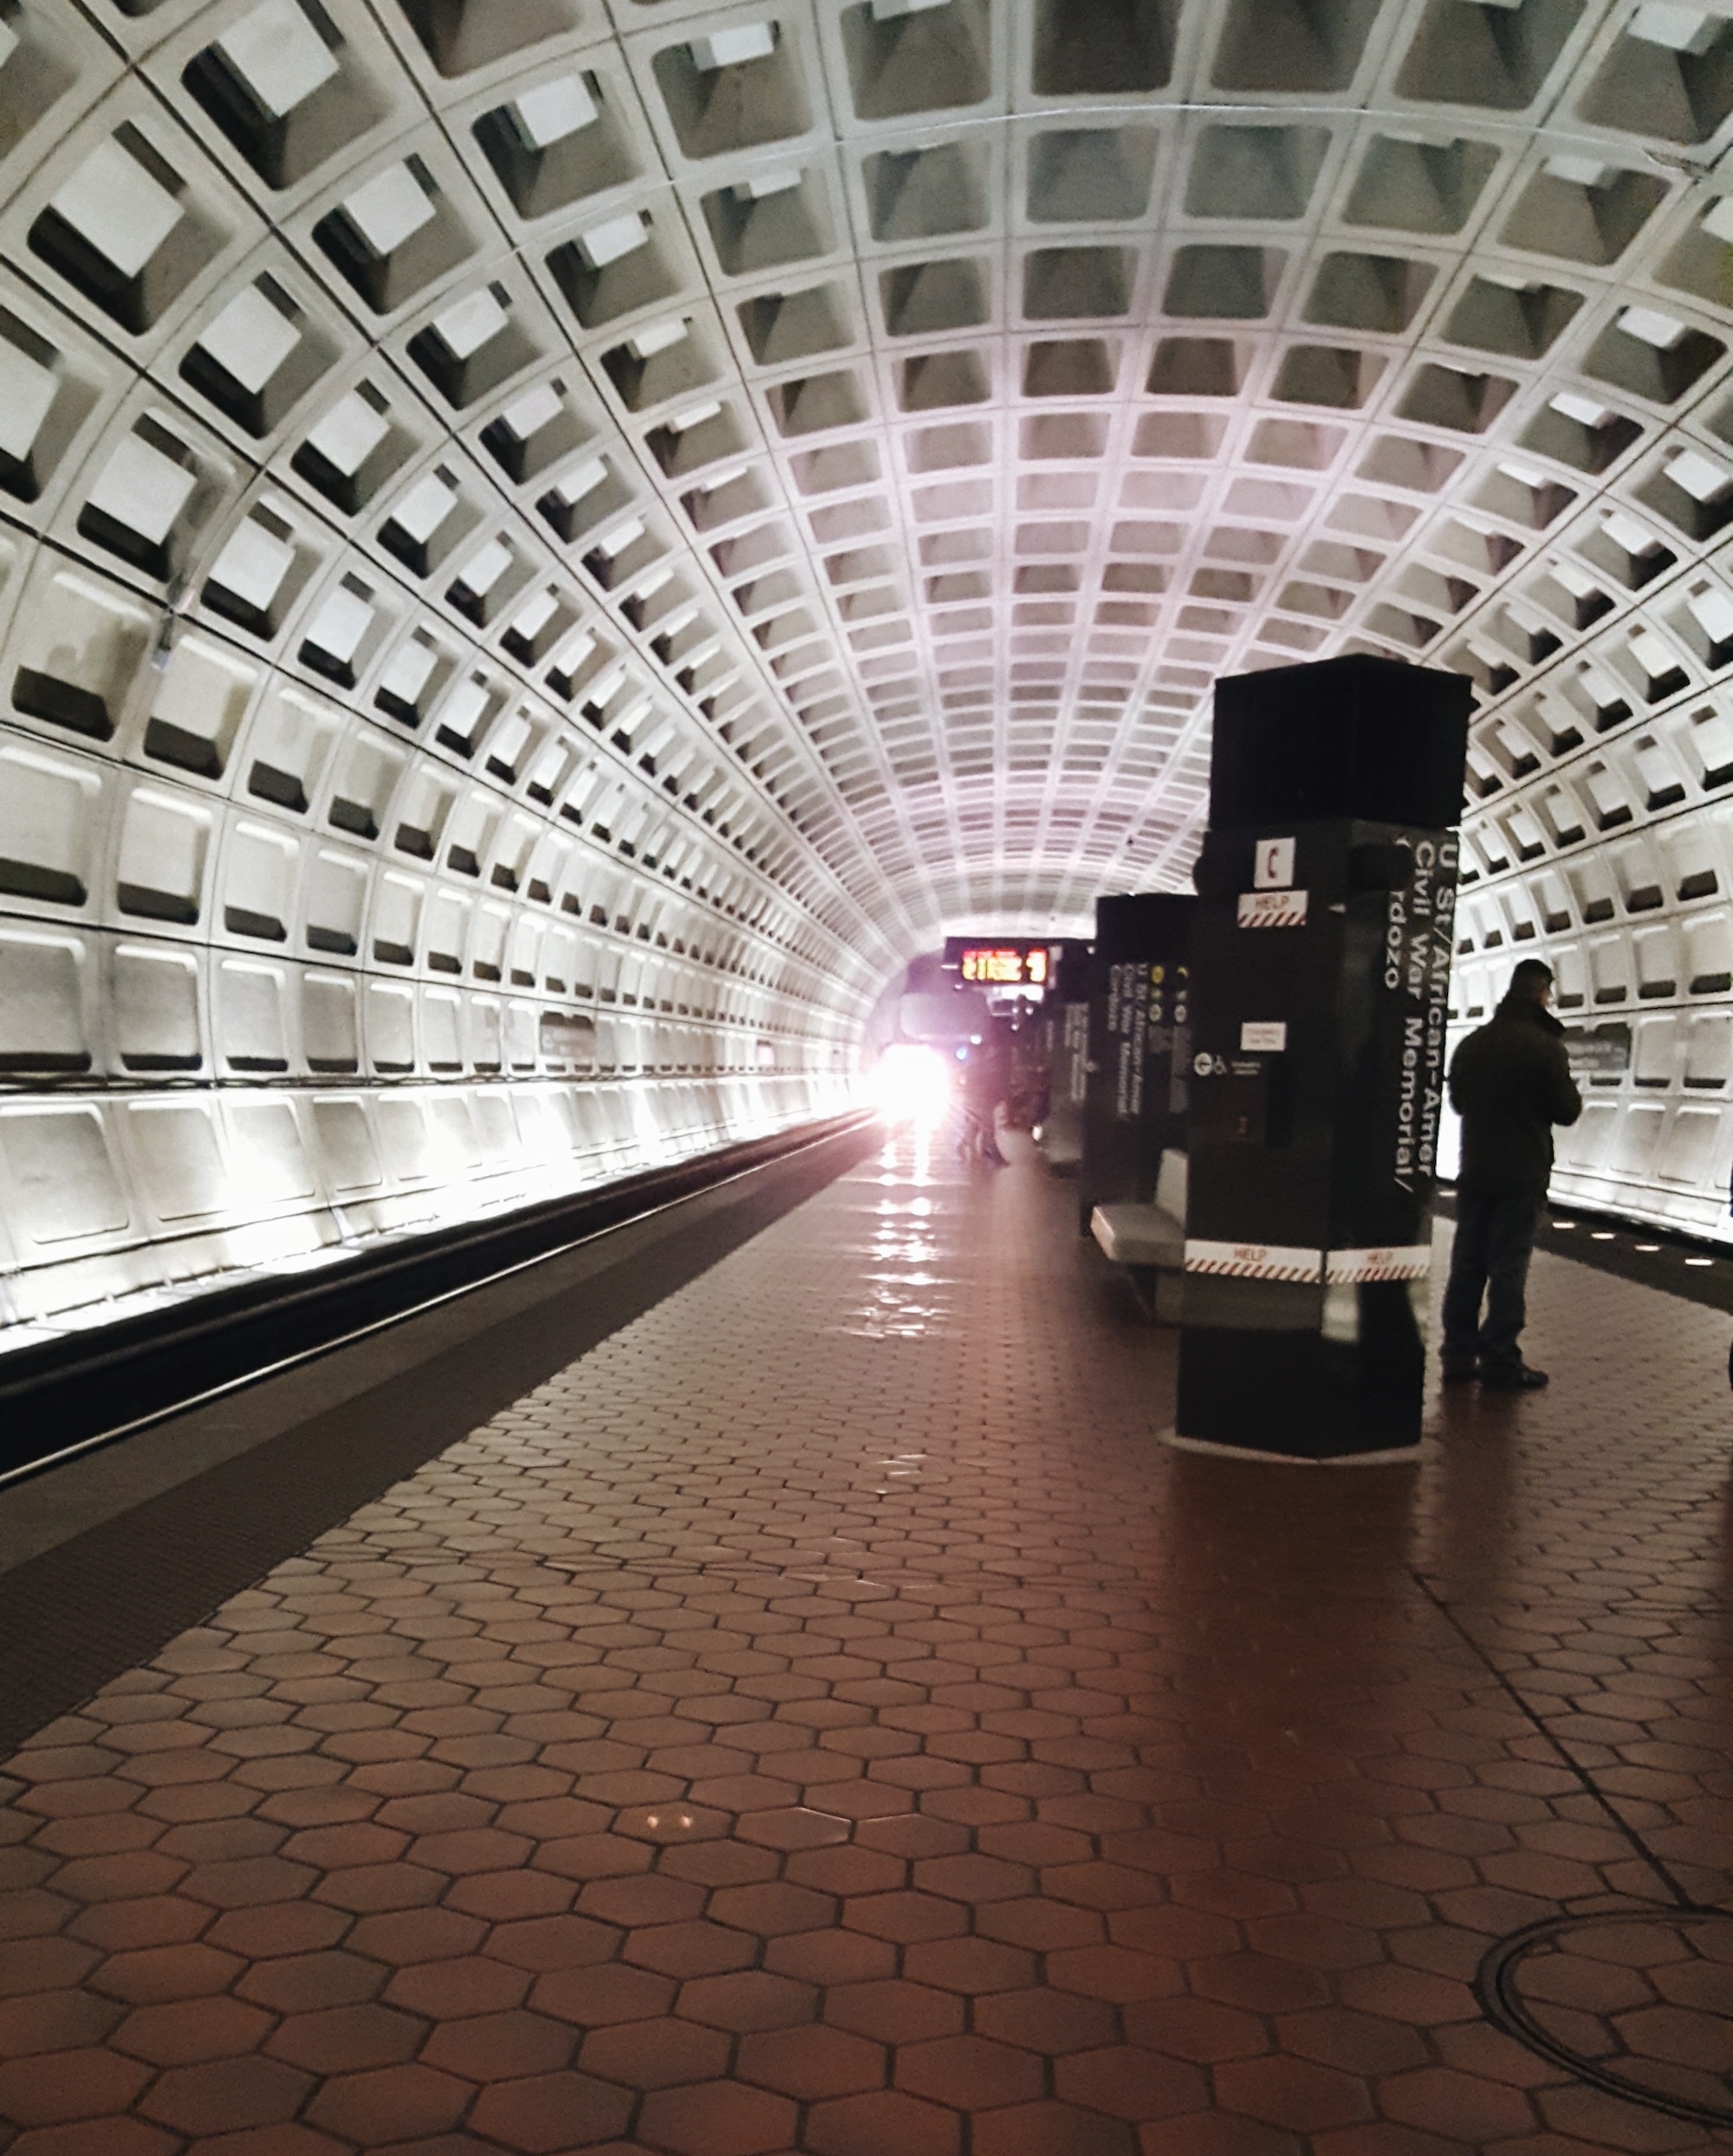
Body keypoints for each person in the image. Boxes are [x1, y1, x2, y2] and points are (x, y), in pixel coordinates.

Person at [1440, 958, 1582, 1390]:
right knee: (1508, 1269)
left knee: (1466, 1265)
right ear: (1542, 993)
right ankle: (1500, 1358)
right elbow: (1567, 1111)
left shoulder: (1474, 1043)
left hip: (1476, 1171)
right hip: (1521, 1176)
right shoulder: (1545, 1047)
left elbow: (1460, 1103)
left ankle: (1458, 1355)